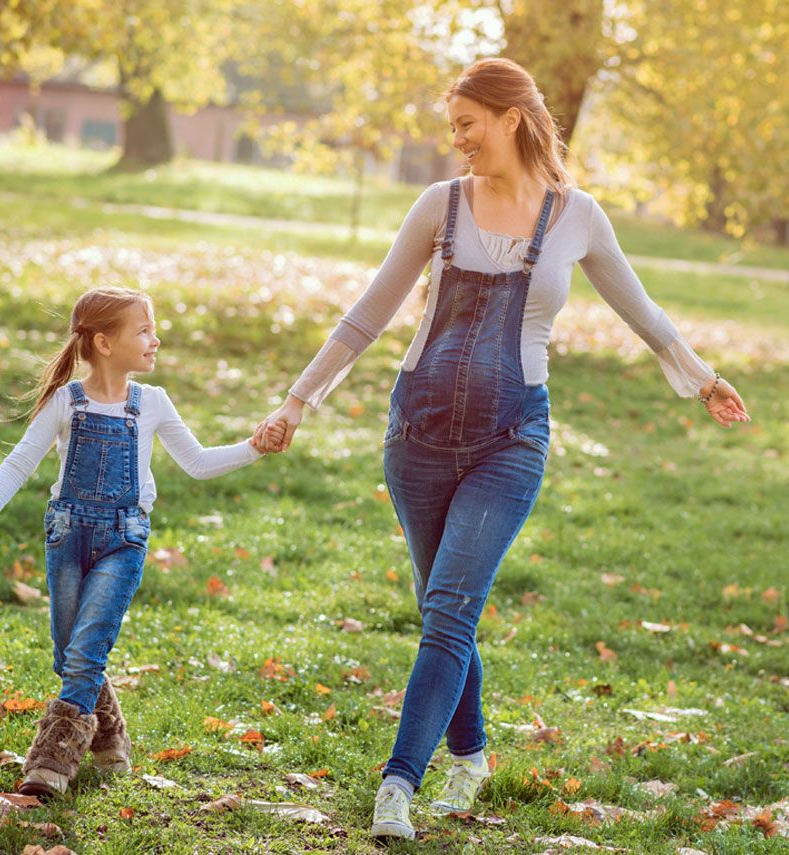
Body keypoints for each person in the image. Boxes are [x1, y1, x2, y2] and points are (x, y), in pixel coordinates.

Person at [255, 58, 750, 839]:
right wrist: (297, 401)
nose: (458, 143)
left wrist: (702, 378)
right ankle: (471, 755)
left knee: (449, 609)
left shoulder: (577, 214)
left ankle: (397, 787)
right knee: (442, 611)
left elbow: (642, 311)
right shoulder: (439, 205)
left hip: (511, 437)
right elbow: (368, 314)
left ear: (509, 118)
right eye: (453, 127)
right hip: (415, 435)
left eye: (467, 125)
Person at [0, 286, 282, 798]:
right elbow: (20, 461)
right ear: (105, 344)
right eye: (145, 330)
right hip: (66, 534)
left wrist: (254, 447)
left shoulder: (151, 403)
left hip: (124, 538)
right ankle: (110, 739)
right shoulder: (67, 401)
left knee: (85, 655)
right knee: (69, 656)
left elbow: (196, 462)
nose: (157, 339)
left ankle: (51, 762)